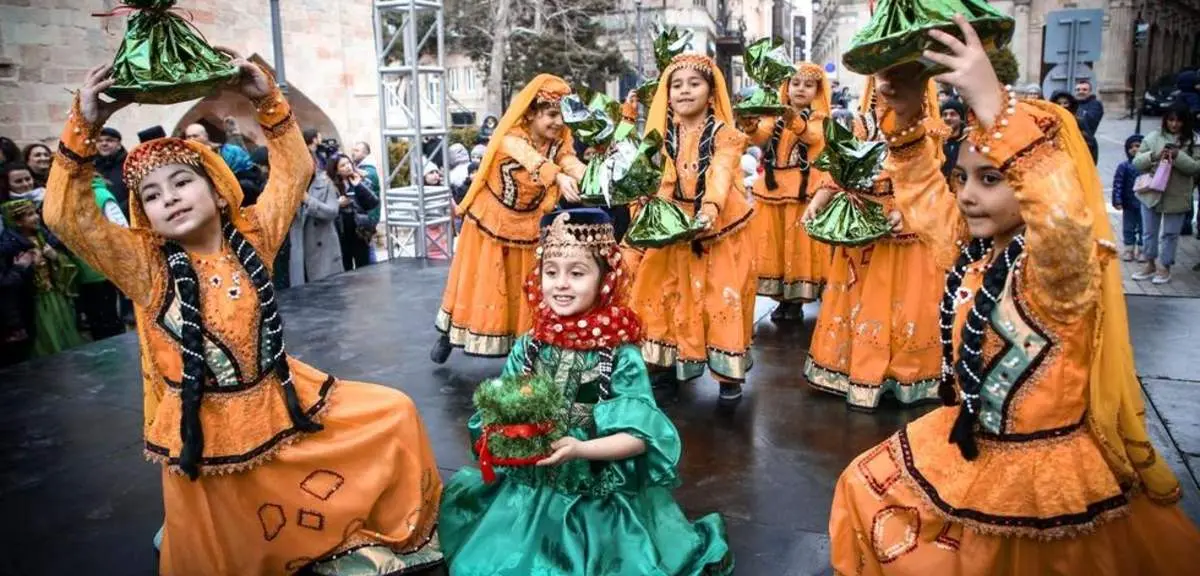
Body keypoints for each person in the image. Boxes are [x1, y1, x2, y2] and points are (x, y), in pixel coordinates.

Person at [829, 16, 1200, 574]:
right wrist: (906, 113)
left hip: (1042, 471)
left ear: (1031, 177)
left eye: (992, 178)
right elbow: (928, 200)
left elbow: (1061, 219)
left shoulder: (1058, 268)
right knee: (861, 485)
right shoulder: (979, 253)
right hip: (972, 443)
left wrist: (995, 108)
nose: (969, 195)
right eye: (964, 178)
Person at [43, 59, 442, 574]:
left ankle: (345, 527)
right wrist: (84, 124)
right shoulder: (144, 266)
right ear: (144, 213)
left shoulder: (253, 234)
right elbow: (64, 216)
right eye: (152, 195)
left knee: (395, 412)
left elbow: (295, 171)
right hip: (207, 432)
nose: (169, 199)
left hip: (282, 396)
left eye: (181, 183)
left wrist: (267, 99)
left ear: (215, 184)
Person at [438, 208, 733, 575]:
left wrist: (580, 449)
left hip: (596, 493)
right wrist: (504, 435)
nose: (561, 284)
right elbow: (500, 412)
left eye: (577, 273)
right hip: (529, 488)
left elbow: (640, 436)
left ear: (604, 280)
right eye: (551, 272)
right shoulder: (530, 345)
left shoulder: (619, 355)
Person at [800, 76, 948, 410]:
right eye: (883, 76)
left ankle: (901, 376)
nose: (891, 84)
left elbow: (927, 181)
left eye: (900, 74)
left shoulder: (929, 129)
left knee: (901, 301)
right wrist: (818, 201)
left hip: (905, 230)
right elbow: (841, 170)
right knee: (861, 300)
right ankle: (856, 369)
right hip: (861, 226)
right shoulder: (861, 123)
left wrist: (906, 212)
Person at [621, 54, 756, 403]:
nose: (684, 91)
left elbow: (722, 171)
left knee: (719, 300)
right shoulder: (661, 135)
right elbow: (660, 180)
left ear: (711, 93)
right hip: (671, 229)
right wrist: (653, 213)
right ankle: (663, 368)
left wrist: (709, 207)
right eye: (676, 85)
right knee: (661, 295)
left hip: (717, 228)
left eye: (694, 84)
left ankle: (728, 373)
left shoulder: (726, 136)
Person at [430, 74, 586, 363]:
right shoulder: (511, 138)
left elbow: (568, 158)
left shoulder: (558, 139)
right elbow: (531, 159)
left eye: (563, 116)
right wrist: (558, 178)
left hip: (528, 223)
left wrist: (589, 175)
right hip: (492, 221)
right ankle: (450, 335)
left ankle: (525, 347)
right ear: (531, 113)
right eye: (552, 114)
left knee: (526, 287)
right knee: (477, 282)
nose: (558, 122)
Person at [740, 62, 833, 323]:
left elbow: (812, 138)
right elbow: (761, 138)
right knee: (776, 246)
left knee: (797, 247)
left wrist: (793, 119)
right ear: (787, 87)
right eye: (796, 83)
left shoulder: (819, 118)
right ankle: (781, 299)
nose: (801, 89)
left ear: (817, 90)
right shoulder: (775, 116)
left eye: (808, 84)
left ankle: (795, 303)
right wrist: (749, 126)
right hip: (774, 186)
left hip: (802, 189)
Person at [0, 199, 84, 357]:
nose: (36, 217)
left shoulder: (43, 237)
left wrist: (54, 257)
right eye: (30, 215)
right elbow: (11, 283)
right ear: (17, 222)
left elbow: (65, 263)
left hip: (55, 296)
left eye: (35, 213)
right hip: (35, 302)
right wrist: (30, 266)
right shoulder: (10, 249)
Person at [1131, 103, 1199, 284]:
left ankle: (1165, 266)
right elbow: (1137, 162)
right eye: (1171, 120)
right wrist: (1154, 155)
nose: (1174, 124)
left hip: (1177, 193)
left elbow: (1195, 168)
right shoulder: (1153, 137)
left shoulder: (1194, 140)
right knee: (1149, 232)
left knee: (1170, 234)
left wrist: (1178, 156)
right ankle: (1149, 263)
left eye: (1178, 121)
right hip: (1151, 192)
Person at [327, 153, 379, 271]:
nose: (348, 167)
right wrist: (337, 204)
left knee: (364, 268)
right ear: (336, 170)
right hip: (341, 232)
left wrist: (359, 186)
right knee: (345, 268)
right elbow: (328, 207)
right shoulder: (330, 186)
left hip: (360, 231)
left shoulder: (360, 179)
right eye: (343, 165)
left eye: (348, 163)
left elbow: (373, 202)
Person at [1112, 134, 1145, 262]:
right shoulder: (1124, 166)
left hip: (1144, 203)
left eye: (1138, 146)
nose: (1134, 149)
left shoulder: (1147, 166)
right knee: (1128, 228)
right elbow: (1118, 184)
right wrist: (1117, 200)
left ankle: (1143, 250)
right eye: (1131, 147)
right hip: (1129, 204)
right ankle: (1129, 249)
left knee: (1144, 229)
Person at [1050, 90, 1099, 163]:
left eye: (1065, 103)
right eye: (1059, 103)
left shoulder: (1078, 121)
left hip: (1075, 161)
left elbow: (1090, 143)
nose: (1062, 106)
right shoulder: (1049, 121)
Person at [95, 127, 130, 217]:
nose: (104, 144)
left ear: (119, 145)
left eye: (109, 140)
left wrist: (117, 212)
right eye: (99, 141)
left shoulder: (129, 164)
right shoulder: (91, 169)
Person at [939, 98, 968, 178]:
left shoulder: (969, 140)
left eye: (953, 114)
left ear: (961, 118)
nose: (948, 118)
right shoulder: (936, 142)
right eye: (944, 114)